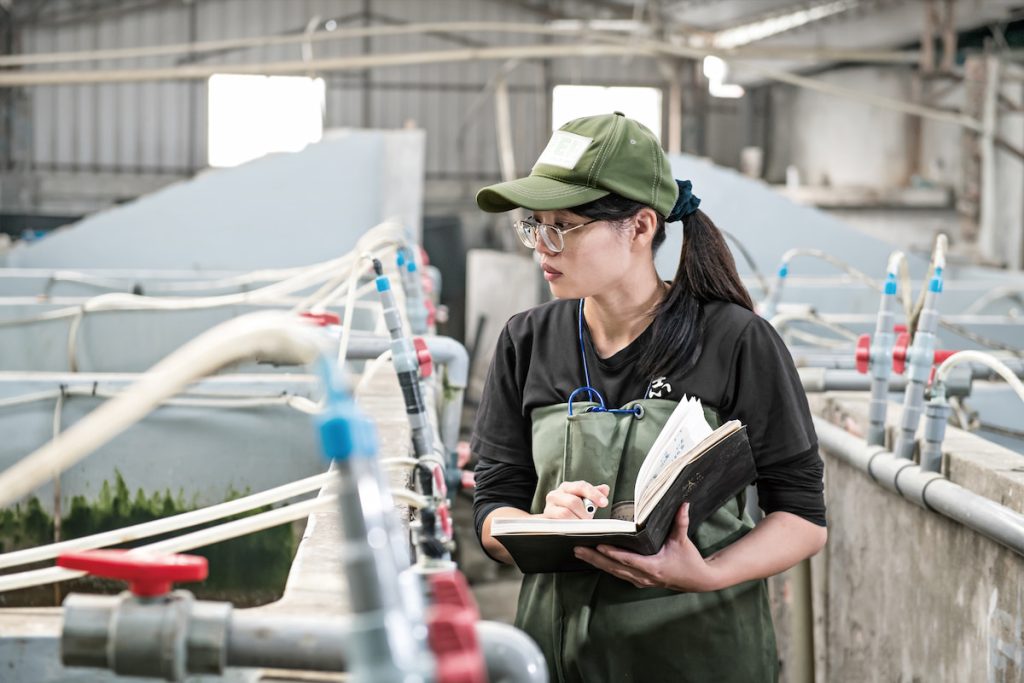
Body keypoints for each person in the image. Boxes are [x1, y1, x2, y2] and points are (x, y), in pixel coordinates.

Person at [470, 112, 827, 683]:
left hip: (699, 653)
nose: (542, 246)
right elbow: (492, 508)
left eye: (563, 226)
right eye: (534, 225)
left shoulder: (736, 341)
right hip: (556, 655)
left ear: (639, 227)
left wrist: (704, 574)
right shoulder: (526, 341)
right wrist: (541, 525)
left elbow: (803, 516)